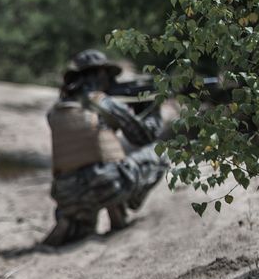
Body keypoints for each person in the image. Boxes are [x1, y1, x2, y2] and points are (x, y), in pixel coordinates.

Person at [42, 49, 168, 246]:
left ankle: (73, 219)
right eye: (109, 76)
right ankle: (121, 205)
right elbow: (144, 136)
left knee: (84, 226)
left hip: (67, 194)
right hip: (107, 185)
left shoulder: (56, 110)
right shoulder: (103, 103)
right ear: (101, 74)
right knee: (161, 153)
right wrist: (152, 107)